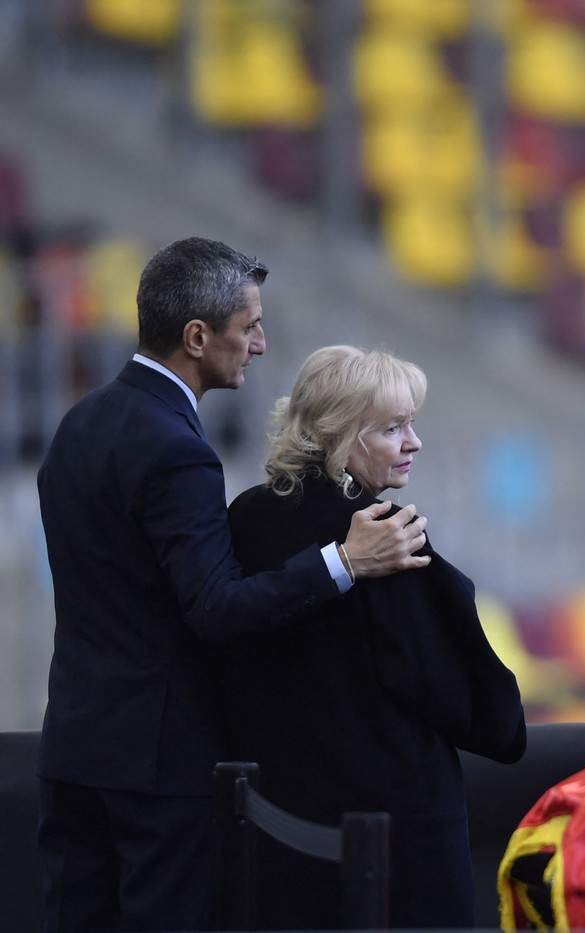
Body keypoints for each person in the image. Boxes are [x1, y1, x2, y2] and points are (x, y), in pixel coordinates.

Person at [35, 238, 428, 932]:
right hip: (156, 771)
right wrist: (344, 560)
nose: (260, 344)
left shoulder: (78, 424)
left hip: (72, 748)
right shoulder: (177, 450)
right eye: (249, 327)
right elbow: (216, 607)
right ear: (197, 337)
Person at [220, 345, 526, 929]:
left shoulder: (244, 517)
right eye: (392, 428)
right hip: (393, 849)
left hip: (277, 835)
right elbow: (485, 716)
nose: (414, 442)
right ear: (338, 435)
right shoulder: (386, 537)